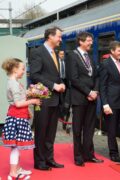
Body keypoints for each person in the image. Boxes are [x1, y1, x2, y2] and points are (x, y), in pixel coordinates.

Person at [29, 26, 65, 171]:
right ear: (50, 36)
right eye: (59, 36)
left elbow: (54, 74)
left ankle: (49, 159)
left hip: (55, 99)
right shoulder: (37, 52)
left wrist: (61, 83)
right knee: (41, 132)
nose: (60, 39)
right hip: (42, 99)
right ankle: (39, 162)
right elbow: (35, 75)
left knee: (51, 132)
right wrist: (53, 85)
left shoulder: (55, 53)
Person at [65, 32, 104, 166]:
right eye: (88, 40)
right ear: (80, 42)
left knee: (89, 128)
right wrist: (88, 92)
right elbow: (73, 78)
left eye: (91, 40)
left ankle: (89, 155)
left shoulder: (90, 57)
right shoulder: (72, 56)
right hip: (79, 98)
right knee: (77, 129)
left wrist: (95, 91)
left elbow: (97, 76)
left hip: (91, 98)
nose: (91, 43)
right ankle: (78, 157)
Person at [1, 58, 41, 180]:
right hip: (16, 117)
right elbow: (18, 103)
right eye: (22, 69)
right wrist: (33, 100)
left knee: (17, 146)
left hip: (18, 117)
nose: (24, 71)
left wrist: (29, 93)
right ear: (14, 70)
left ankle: (17, 169)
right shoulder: (13, 83)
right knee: (15, 147)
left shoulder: (15, 82)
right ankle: (13, 172)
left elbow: (19, 99)